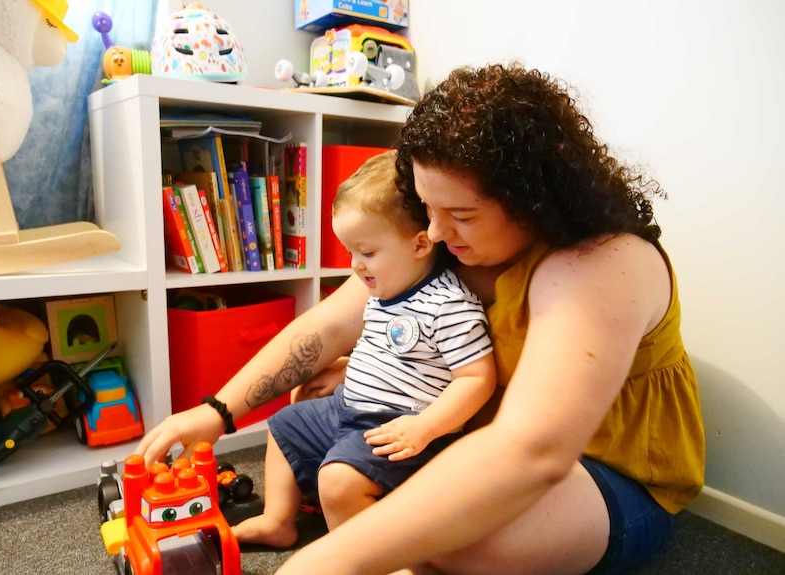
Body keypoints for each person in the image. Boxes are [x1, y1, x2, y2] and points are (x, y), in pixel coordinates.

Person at [138, 62, 705, 575]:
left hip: (611, 475)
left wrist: (324, 563)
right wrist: (217, 412)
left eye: (459, 213)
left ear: (535, 197)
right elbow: (329, 324)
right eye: (426, 208)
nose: (433, 232)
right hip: (475, 429)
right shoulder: (456, 243)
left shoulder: (602, 262)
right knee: (329, 414)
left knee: (463, 538)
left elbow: (531, 450)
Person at [237, 150, 496, 547]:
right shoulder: (383, 290)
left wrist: (426, 428)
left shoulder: (448, 304)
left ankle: (363, 557)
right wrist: (345, 367)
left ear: (420, 244)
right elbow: (385, 350)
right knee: (284, 424)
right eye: (351, 253)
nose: (356, 266)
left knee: (337, 482)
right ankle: (277, 520)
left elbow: (477, 378)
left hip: (399, 424)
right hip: (349, 407)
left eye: (368, 252)